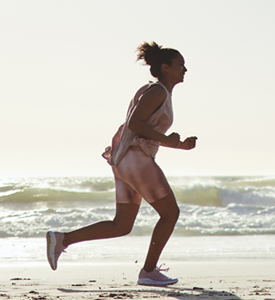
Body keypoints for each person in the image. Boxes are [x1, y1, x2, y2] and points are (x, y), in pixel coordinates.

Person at [47, 42, 197, 287]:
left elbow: (143, 131)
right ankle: (148, 272)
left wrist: (179, 145)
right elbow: (135, 125)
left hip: (125, 160)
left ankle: (62, 239)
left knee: (122, 225)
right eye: (181, 65)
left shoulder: (158, 92)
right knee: (170, 214)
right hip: (136, 159)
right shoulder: (157, 91)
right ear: (165, 67)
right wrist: (167, 139)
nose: (185, 69)